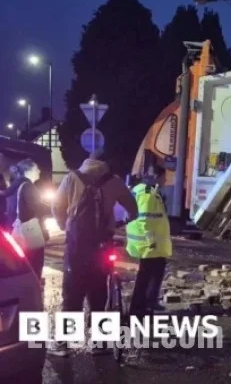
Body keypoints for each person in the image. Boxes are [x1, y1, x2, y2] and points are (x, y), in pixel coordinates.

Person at [49, 150, 137, 357]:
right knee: (99, 293)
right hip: (102, 244)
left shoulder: (72, 177)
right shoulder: (114, 181)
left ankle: (63, 343)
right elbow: (133, 208)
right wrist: (122, 222)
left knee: (72, 293)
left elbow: (56, 206)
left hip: (77, 245)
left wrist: (65, 225)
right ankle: (100, 343)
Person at [126, 166, 172, 316]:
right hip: (150, 245)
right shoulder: (147, 195)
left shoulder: (143, 191)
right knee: (147, 276)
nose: (165, 180)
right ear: (156, 177)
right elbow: (144, 219)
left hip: (149, 243)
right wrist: (150, 240)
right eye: (163, 177)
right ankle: (141, 308)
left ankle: (147, 305)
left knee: (149, 275)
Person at [0, 159, 49, 277]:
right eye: (36, 168)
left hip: (16, 232)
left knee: (22, 266)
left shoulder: (14, 186)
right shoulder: (28, 186)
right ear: (28, 170)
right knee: (34, 266)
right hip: (30, 233)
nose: (39, 170)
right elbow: (37, 208)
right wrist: (51, 208)